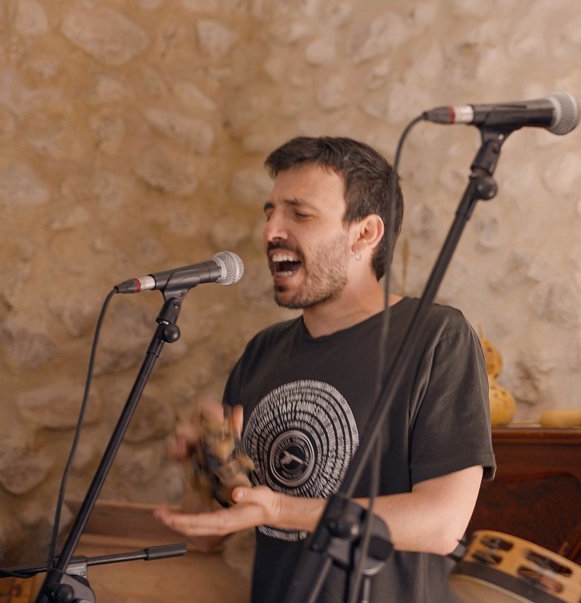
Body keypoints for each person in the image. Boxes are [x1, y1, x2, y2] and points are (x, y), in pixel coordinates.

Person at [154, 136, 494, 602]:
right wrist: (205, 462)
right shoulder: (263, 352)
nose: (271, 231)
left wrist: (280, 509)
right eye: (270, 213)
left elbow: (441, 524)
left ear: (365, 234)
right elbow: (208, 536)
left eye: (300, 214)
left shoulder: (436, 337)